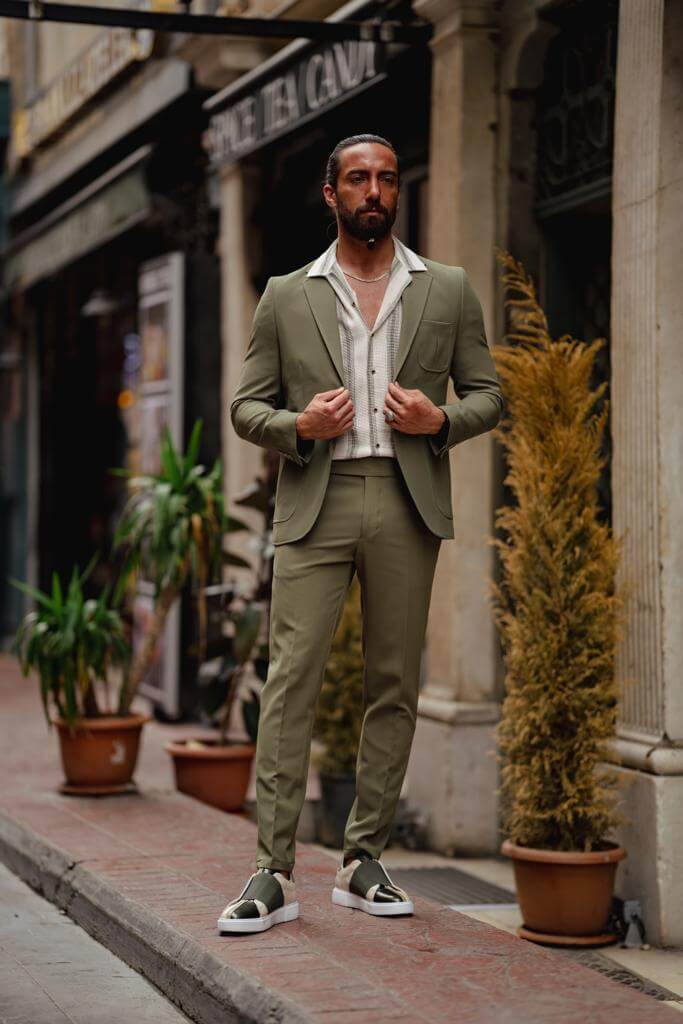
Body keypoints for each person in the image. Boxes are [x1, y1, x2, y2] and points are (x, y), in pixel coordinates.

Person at [217, 134, 503, 934]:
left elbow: (488, 393)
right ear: (331, 194)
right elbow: (246, 407)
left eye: (384, 177)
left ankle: (362, 858)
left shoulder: (444, 288)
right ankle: (272, 870)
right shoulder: (285, 293)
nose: (372, 190)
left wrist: (440, 417)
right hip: (317, 494)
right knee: (291, 679)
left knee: (393, 682)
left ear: (395, 191)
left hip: (407, 499)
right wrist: (297, 425)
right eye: (357, 179)